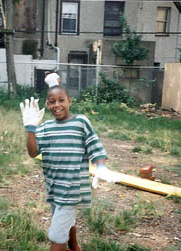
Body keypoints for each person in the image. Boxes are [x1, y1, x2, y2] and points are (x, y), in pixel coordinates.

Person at [20, 86, 121, 251]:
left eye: (61, 100)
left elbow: (94, 145)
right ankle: (74, 247)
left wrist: (101, 165)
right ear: (47, 104)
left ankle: (66, 245)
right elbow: (33, 152)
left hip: (72, 188)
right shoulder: (45, 128)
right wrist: (31, 129)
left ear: (70, 101)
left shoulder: (80, 122)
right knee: (64, 219)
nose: (57, 105)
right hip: (54, 188)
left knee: (57, 236)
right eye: (52, 101)